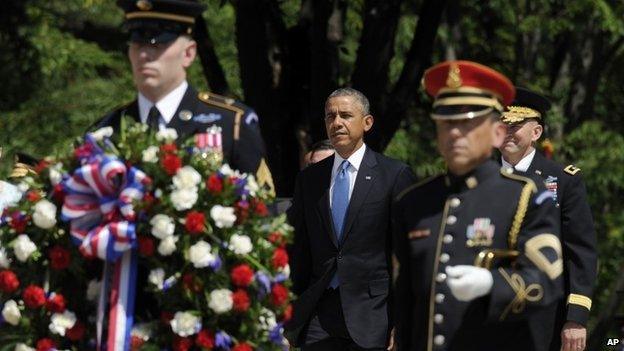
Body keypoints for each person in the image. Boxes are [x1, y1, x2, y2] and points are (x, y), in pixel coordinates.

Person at [393, 61, 563, 351]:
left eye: (468, 122)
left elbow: (547, 283)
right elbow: (406, 299)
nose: (456, 133)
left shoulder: (526, 197)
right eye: (447, 123)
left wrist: (492, 284)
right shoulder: (413, 202)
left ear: (497, 133)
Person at [93, 0, 274, 191]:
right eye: (138, 43)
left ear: (188, 54)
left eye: (158, 44)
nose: (144, 54)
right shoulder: (107, 129)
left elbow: (261, 210)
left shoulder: (231, 123)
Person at [286, 88, 415, 350]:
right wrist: (289, 312)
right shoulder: (310, 179)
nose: (337, 123)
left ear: (367, 122)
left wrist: (401, 322)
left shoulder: (394, 175)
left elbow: (406, 255)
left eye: (346, 115)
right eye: (330, 116)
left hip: (372, 315)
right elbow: (298, 248)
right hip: (318, 314)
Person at [499, 87, 597, 351]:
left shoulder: (564, 180)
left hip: (542, 317)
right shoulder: (478, 177)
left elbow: (581, 252)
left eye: (516, 125)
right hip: (485, 312)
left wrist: (576, 318)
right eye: (502, 123)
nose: (507, 131)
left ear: (536, 132)